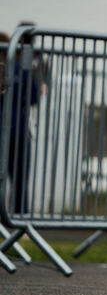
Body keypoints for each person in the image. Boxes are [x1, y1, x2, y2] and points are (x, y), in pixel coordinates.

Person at [0, 30, 42, 215]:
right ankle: (18, 219)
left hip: (5, 128)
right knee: (20, 178)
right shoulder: (21, 69)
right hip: (19, 128)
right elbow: (33, 97)